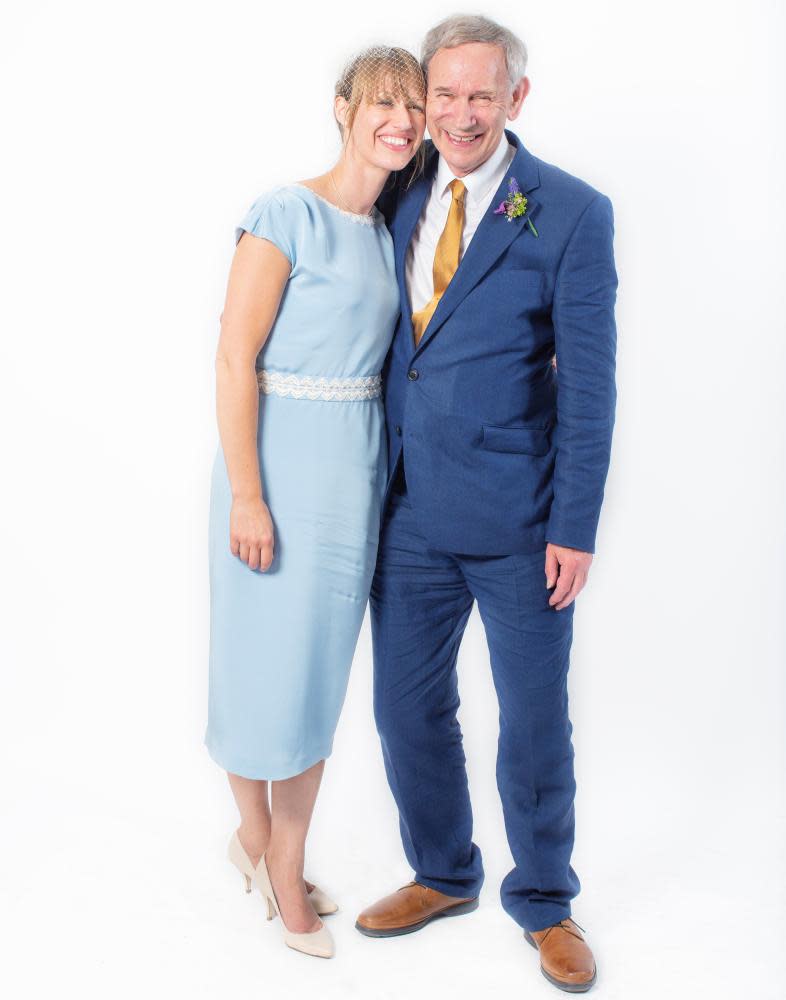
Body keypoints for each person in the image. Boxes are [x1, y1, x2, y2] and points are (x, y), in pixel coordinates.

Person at [356, 15, 618, 994]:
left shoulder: (570, 211)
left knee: (535, 718)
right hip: (408, 506)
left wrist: (574, 526)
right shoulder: (399, 191)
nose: (460, 113)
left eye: (481, 94)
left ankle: (546, 900)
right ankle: (443, 869)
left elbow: (591, 390)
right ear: (426, 97)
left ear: (516, 98)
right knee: (405, 708)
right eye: (445, 93)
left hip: (521, 518)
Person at [204, 45, 426, 959]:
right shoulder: (284, 213)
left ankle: (273, 849)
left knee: (313, 678)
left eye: (413, 107)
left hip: (353, 474)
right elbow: (233, 359)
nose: (402, 121)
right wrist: (249, 496)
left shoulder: (386, 229)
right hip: (277, 469)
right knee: (258, 668)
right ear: (342, 107)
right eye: (384, 101)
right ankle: (265, 848)